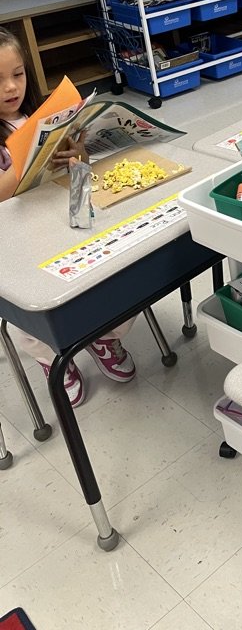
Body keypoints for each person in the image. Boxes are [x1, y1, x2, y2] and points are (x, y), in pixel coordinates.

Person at [0, 26, 136, 408]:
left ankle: (106, 337)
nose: (11, 88)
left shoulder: (44, 116)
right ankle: (51, 359)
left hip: (68, 214)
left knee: (118, 265)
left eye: (18, 74)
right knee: (33, 303)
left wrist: (79, 156)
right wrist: (27, 154)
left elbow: (79, 177)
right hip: (17, 240)